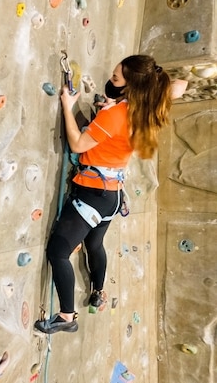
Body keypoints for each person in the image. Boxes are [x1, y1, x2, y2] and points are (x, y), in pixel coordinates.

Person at [34, 55, 172, 334]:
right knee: (94, 245)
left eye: (117, 78)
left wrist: (67, 106)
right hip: (112, 197)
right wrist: (112, 108)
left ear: (131, 87)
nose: (111, 79)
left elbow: (77, 143)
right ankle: (98, 291)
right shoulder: (143, 112)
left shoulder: (116, 115)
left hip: (92, 194)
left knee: (58, 252)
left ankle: (67, 316)